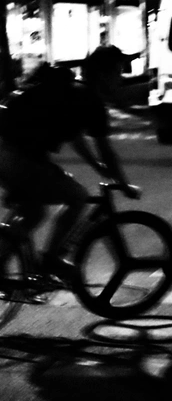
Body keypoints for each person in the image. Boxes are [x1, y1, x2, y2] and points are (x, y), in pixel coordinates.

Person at [0, 45, 138, 286]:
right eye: (117, 72)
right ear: (103, 74)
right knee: (77, 196)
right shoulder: (90, 100)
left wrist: (98, 167)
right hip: (18, 156)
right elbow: (106, 149)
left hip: (7, 152)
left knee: (33, 213)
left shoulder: (73, 92)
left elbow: (76, 139)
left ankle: (4, 264)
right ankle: (51, 260)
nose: (120, 78)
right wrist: (124, 184)